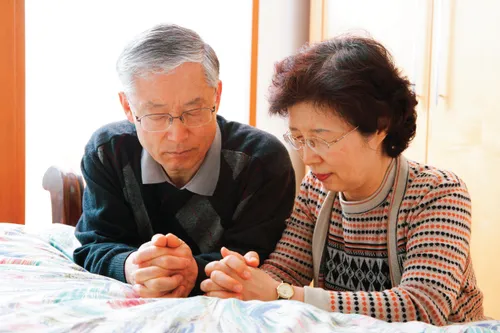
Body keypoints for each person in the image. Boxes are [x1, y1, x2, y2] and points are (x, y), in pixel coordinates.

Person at [200, 35, 485, 325]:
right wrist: (240, 280)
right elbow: (284, 271)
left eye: (321, 140)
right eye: (299, 138)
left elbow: (422, 306)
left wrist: (284, 294)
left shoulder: (438, 193)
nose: (308, 158)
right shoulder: (316, 191)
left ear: (379, 127)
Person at [73, 23, 296, 298]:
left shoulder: (262, 162)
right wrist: (131, 266)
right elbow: (95, 244)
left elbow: (260, 260)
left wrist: (193, 273)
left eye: (194, 110)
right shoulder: (108, 151)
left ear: (217, 95)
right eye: (156, 115)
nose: (178, 136)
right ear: (128, 107)